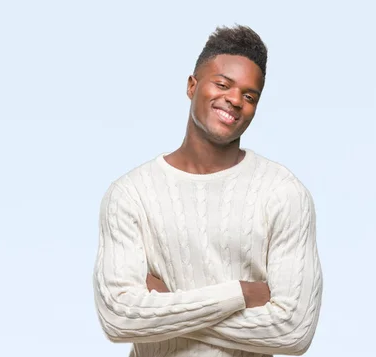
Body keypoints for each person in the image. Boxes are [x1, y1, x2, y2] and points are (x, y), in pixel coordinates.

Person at [92, 24, 323, 357]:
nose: (234, 100)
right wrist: (240, 294)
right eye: (223, 84)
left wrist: (163, 309)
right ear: (192, 85)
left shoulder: (283, 193)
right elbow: (118, 317)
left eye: (249, 96)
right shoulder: (131, 195)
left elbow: (294, 331)